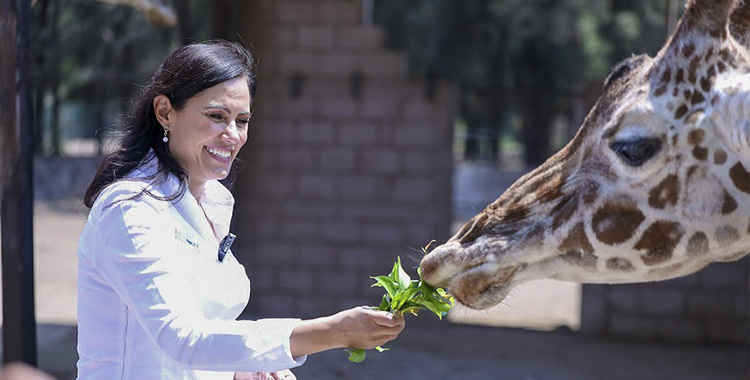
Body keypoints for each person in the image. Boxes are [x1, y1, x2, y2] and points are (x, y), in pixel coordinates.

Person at [76, 40, 405, 380]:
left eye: (242, 120)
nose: (232, 135)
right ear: (164, 112)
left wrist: (241, 371)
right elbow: (183, 339)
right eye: (216, 116)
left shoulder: (211, 203)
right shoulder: (129, 209)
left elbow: (200, 343)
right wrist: (333, 333)